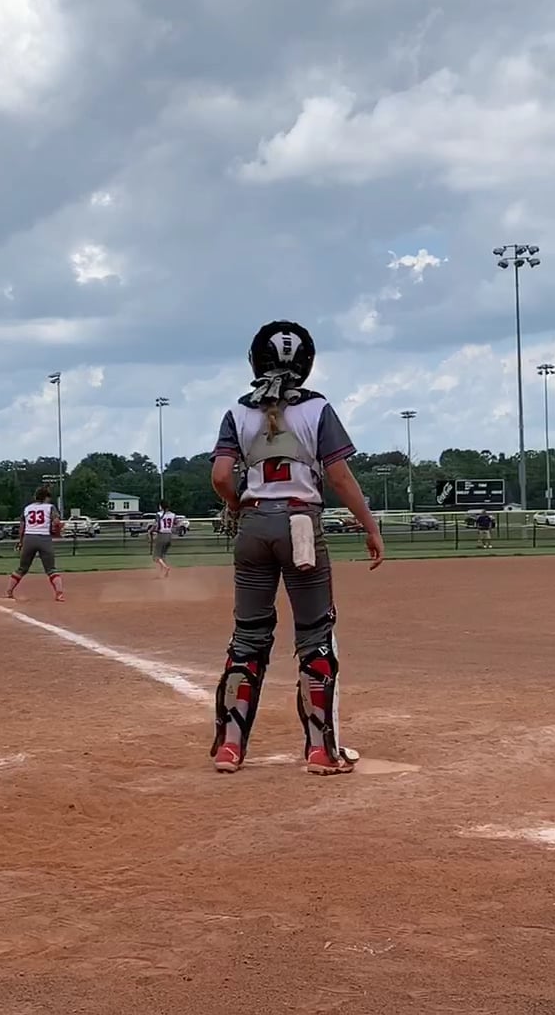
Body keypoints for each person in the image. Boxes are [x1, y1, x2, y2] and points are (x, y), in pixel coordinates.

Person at [208, 320, 383, 777]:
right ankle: (320, 751)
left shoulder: (237, 411)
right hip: (301, 524)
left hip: (253, 526)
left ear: (255, 360)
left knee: (247, 637)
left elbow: (221, 476)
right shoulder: (317, 409)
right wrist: (369, 526)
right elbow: (339, 476)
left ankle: (230, 748)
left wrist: (238, 506)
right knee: (314, 636)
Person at [5, 486, 65, 601]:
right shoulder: (50, 507)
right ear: (46, 497)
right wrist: (57, 531)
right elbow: (57, 522)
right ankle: (59, 593)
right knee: (51, 569)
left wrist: (20, 542)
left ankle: (9, 591)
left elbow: (22, 527)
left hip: (29, 538)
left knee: (22, 568)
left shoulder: (27, 508)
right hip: (44, 538)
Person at [151, 500, 179, 579]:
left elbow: (156, 524)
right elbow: (176, 524)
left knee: (156, 556)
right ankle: (162, 573)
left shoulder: (159, 514)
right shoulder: (173, 515)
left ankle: (166, 567)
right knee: (162, 555)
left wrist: (151, 531)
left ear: (161, 506)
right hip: (169, 535)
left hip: (161, 535)